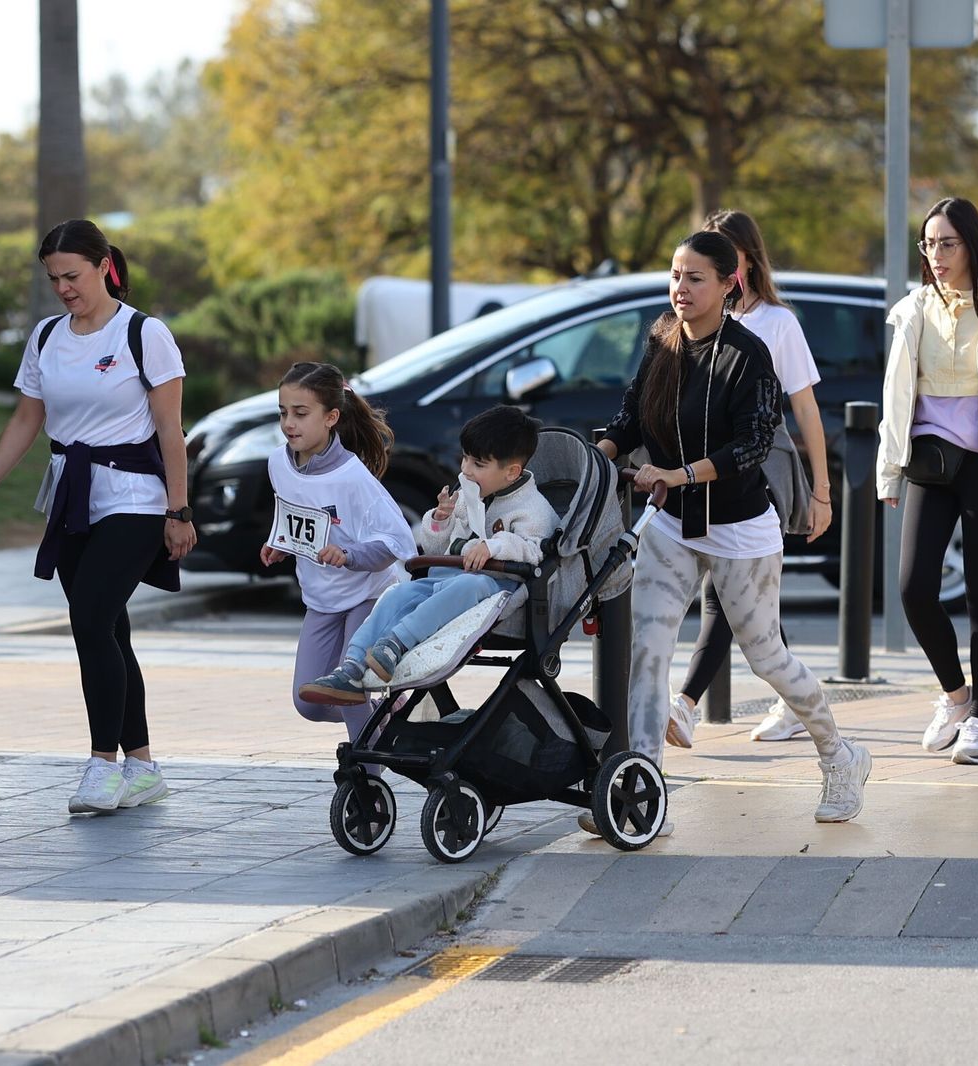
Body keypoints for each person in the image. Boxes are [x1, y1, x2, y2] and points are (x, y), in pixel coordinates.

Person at [596, 230, 871, 826]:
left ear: (729, 284)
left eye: (696, 278)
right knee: (647, 653)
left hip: (741, 529)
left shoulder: (749, 354)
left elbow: (750, 445)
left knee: (767, 657)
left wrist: (678, 472)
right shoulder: (662, 340)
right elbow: (630, 411)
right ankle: (639, 791)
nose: (681, 288)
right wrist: (601, 450)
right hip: (669, 524)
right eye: (675, 275)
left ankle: (840, 755)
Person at [0, 219, 195, 814]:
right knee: (109, 627)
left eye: (72, 275)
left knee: (89, 621)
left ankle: (101, 766)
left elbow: (171, 430)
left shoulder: (145, 333)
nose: (63, 287)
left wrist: (178, 510)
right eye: (53, 278)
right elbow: (25, 420)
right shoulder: (45, 338)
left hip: (135, 497)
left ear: (102, 266)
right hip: (71, 496)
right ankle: (142, 767)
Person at [877, 196, 978, 766]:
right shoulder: (912, 310)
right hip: (928, 463)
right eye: (928, 243)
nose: (936, 254)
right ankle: (955, 695)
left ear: (971, 244)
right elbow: (895, 397)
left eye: (947, 242)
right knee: (912, 588)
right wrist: (889, 470)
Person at [666, 209, 834, 746]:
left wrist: (820, 492)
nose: (694, 276)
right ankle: (794, 699)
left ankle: (685, 704)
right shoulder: (684, 321)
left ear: (742, 261)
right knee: (749, 604)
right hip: (694, 481)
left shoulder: (776, 324)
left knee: (726, 593)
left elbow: (806, 409)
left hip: (751, 476)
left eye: (719, 256)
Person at [300, 405, 556, 704]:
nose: (466, 470)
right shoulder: (467, 497)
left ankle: (395, 643)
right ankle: (353, 666)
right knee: (398, 594)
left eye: (478, 464)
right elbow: (434, 548)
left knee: (469, 585)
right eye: (465, 458)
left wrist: (495, 545)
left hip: (495, 591)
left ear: (511, 472)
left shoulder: (532, 509)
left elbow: (535, 549)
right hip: (444, 579)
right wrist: (441, 519)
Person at [260, 362, 416, 741]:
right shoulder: (278, 463)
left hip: (367, 595)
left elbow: (396, 543)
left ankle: (368, 786)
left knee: (351, 691)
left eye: (300, 413)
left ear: (331, 417)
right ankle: (383, 713)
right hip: (322, 599)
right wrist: (279, 542)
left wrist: (349, 555)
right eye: (283, 412)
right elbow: (297, 513)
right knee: (309, 701)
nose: (289, 423)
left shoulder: (354, 477)